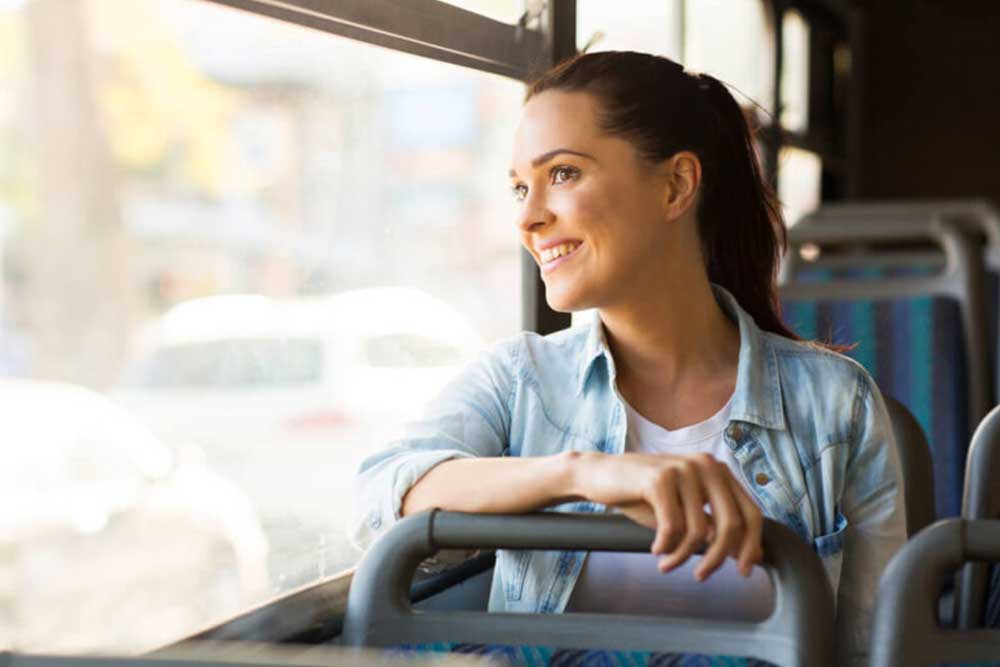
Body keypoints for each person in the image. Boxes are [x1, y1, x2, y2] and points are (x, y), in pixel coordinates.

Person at [352, 51, 904, 666]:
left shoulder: (835, 406)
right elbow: (382, 492)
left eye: (561, 174)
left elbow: (871, 651)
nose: (528, 216)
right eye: (518, 186)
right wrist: (580, 473)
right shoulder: (521, 382)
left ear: (675, 185)